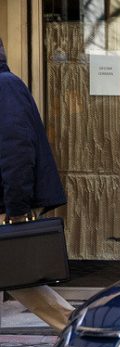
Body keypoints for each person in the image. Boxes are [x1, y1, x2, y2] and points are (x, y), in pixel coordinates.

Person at [0, 36, 75, 331]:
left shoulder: (5, 86)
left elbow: (16, 151)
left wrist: (17, 209)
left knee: (24, 282)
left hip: (6, 208)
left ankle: (78, 331)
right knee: (21, 282)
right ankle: (77, 330)